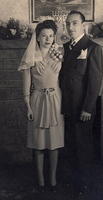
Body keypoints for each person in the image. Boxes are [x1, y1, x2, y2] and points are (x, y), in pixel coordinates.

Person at [59, 10, 103, 196]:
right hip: (67, 107)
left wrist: (87, 108)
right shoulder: (65, 47)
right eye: (68, 23)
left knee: (83, 148)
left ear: (83, 25)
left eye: (74, 23)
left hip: (82, 108)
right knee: (70, 147)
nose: (70, 27)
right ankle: (73, 184)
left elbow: (95, 82)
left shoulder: (93, 47)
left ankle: (85, 186)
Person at [18, 20, 64, 191]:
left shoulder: (59, 52)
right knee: (38, 143)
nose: (48, 39)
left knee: (54, 142)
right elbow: (26, 85)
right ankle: (40, 180)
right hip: (37, 101)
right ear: (37, 37)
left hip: (56, 100)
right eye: (44, 35)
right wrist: (28, 106)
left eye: (51, 36)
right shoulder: (31, 56)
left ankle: (52, 179)